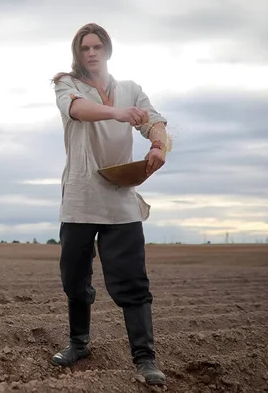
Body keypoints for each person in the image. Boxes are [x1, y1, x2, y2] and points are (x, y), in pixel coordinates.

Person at [50, 23, 170, 387]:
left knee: (132, 280)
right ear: (78, 53)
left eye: (97, 46)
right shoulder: (66, 84)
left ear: (107, 49)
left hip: (120, 200)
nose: (91, 52)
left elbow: (156, 121)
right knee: (74, 277)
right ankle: (79, 343)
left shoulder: (130, 90)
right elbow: (77, 110)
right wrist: (118, 113)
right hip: (80, 197)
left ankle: (145, 358)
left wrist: (158, 147)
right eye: (84, 47)